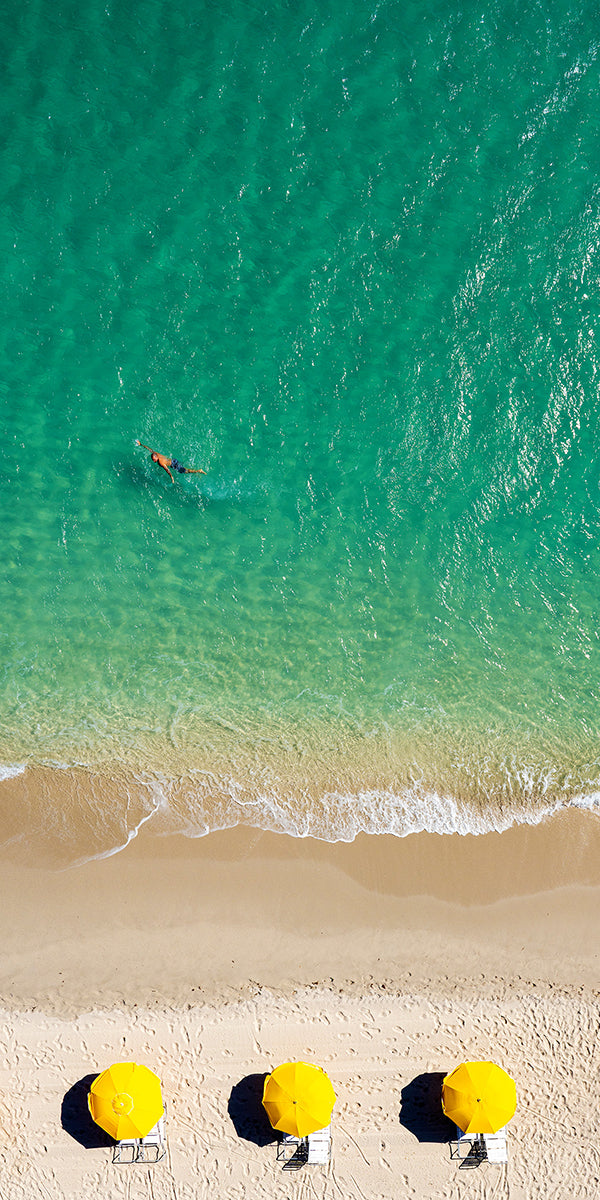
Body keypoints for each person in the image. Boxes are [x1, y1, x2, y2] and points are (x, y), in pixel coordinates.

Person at [136, 441, 207, 483]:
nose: (153, 460)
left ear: (156, 457)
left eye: (153, 459)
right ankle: (196, 472)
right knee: (184, 468)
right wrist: (141, 444)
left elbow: (167, 470)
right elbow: (149, 449)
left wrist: (172, 477)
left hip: (173, 465)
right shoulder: (156, 453)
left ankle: (198, 471)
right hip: (173, 460)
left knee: (186, 471)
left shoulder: (160, 462)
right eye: (152, 459)